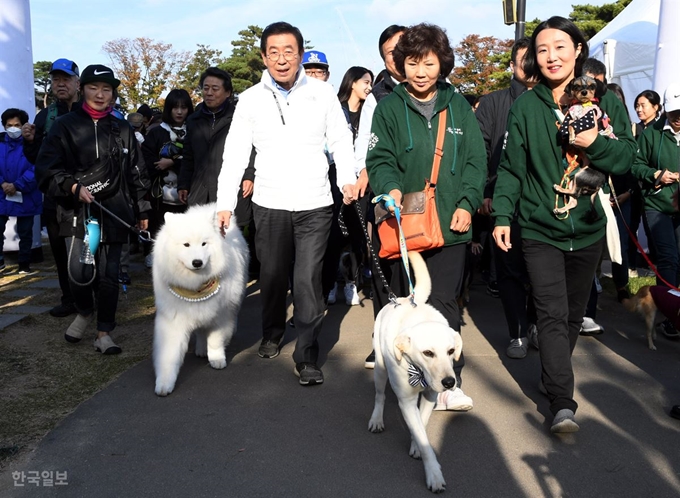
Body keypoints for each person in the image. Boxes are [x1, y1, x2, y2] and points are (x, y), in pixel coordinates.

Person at [492, 16, 636, 433]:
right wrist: (503, 215)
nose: (551, 56)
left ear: (577, 50)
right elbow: (511, 169)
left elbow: (627, 159)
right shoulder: (526, 106)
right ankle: (561, 401)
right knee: (551, 313)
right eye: (542, 49)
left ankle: (552, 371)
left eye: (560, 46)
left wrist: (596, 144)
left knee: (572, 315)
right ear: (533, 59)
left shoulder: (604, 101)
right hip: (539, 227)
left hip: (588, 224)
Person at [215, 21, 356, 386]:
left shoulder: (322, 94)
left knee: (307, 279)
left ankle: (307, 356)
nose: (281, 59)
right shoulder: (249, 100)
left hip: (315, 202)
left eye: (288, 51)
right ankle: (273, 331)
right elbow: (234, 155)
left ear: (300, 53)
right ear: (264, 57)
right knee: (274, 276)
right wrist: (224, 203)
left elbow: (340, 140)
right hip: (269, 201)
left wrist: (346, 181)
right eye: (273, 52)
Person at [366, 22, 486, 411]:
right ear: (401, 64)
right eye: (413, 63)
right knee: (408, 305)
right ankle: (412, 383)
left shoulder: (460, 108)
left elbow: (474, 162)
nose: (420, 72)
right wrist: (389, 187)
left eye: (429, 63)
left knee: (446, 304)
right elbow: (378, 157)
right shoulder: (388, 108)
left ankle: (449, 386)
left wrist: (468, 204)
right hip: (404, 224)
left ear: (442, 64)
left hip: (451, 224)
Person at [35, 64, 150, 355]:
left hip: (115, 210)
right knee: (78, 272)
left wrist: (143, 212)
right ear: (82, 88)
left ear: (112, 94)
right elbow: (46, 169)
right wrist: (71, 186)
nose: (100, 94)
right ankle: (85, 310)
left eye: (106, 89)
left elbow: (137, 173)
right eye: (93, 88)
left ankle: (104, 332)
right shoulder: (63, 125)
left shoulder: (122, 127)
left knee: (110, 274)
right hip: (76, 210)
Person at [475, 37, 538, 359]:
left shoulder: (555, 100)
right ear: (512, 65)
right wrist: (486, 193)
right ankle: (517, 333)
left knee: (541, 272)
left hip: (543, 203)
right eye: (523, 59)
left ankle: (536, 322)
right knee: (511, 271)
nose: (529, 65)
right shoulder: (493, 103)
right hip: (505, 201)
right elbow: (480, 151)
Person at [355, 24, 407, 370]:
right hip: (387, 194)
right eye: (392, 52)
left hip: (427, 193)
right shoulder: (377, 95)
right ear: (384, 60)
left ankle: (417, 340)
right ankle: (383, 340)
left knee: (420, 266)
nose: (401, 57)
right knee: (386, 267)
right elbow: (365, 144)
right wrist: (364, 174)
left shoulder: (443, 87)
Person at [21, 58, 80, 316]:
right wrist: (31, 142)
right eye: (56, 79)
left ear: (78, 82)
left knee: (86, 248)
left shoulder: (88, 110)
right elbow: (37, 159)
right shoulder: (45, 115)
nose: (61, 84)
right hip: (54, 194)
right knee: (58, 249)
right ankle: (68, 299)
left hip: (85, 191)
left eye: (66, 79)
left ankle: (92, 296)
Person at [630, 83, 680, 339]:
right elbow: (636, 166)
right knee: (669, 258)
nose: (678, 119)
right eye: (674, 114)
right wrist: (656, 174)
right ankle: (668, 314)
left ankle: (671, 311)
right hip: (657, 205)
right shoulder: (651, 134)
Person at [141, 89, 194, 268]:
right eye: (175, 107)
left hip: (188, 192)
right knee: (160, 228)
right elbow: (147, 160)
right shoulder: (156, 133)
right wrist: (161, 164)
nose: (179, 112)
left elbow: (195, 161)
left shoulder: (194, 131)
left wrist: (171, 162)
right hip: (160, 194)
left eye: (184, 107)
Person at [1, 109, 43, 274]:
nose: (13, 128)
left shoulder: (33, 144)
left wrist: (18, 185)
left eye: (17, 125)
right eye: (9, 125)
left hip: (27, 194)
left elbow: (36, 168)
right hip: (2, 193)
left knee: (25, 232)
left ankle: (24, 264)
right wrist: (3, 183)